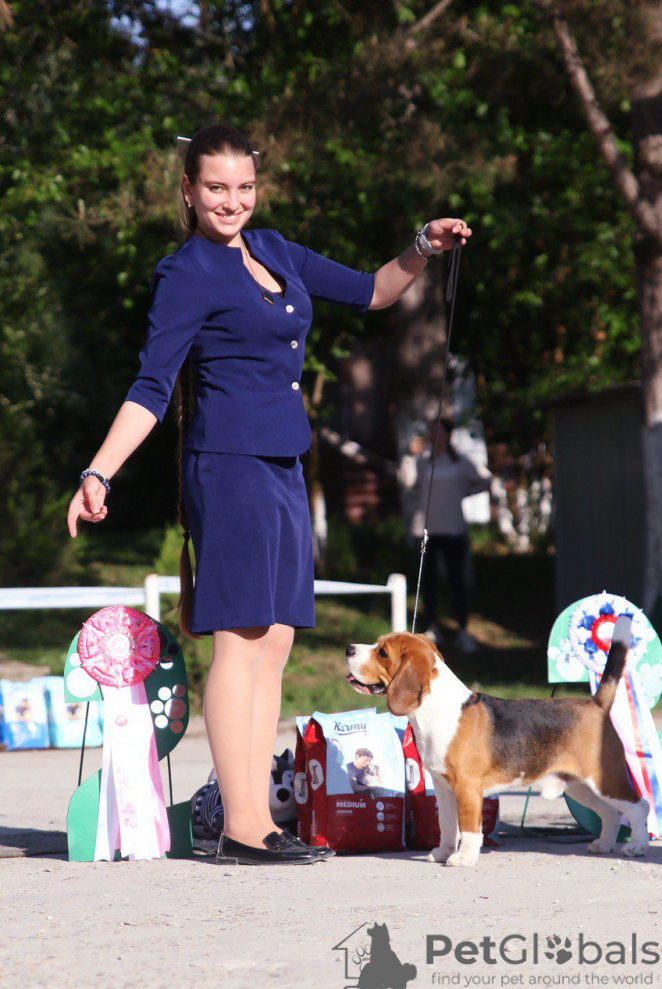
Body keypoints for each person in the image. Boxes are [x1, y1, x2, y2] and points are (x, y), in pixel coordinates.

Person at [66, 122, 473, 866]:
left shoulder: (278, 250)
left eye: (244, 187)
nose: (232, 201)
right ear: (188, 190)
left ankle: (256, 815)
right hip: (228, 468)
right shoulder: (185, 273)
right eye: (216, 188)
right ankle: (243, 824)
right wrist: (99, 472)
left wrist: (424, 245)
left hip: (285, 465)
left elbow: (374, 290)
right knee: (240, 637)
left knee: (278, 639)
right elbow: (152, 386)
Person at [402, 417, 491, 653]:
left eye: (439, 431)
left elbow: (485, 480)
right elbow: (408, 482)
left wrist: (463, 492)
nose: (435, 436)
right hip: (426, 530)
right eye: (432, 432)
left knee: (456, 581)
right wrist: (409, 456)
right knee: (428, 581)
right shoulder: (422, 462)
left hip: (453, 530)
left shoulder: (460, 461)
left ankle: (462, 630)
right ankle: (432, 627)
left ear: (448, 435)